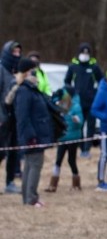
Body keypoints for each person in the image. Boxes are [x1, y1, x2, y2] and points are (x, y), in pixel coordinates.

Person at [12, 58, 54, 206]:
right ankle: (31, 198)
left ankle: (28, 197)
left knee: (31, 165)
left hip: (37, 134)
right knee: (34, 165)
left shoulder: (31, 90)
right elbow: (23, 117)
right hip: (33, 137)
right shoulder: (24, 91)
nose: (35, 74)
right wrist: (31, 137)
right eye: (32, 71)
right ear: (26, 73)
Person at [63, 42, 103, 158]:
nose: (85, 55)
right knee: (78, 125)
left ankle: (87, 148)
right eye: (83, 53)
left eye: (87, 53)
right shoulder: (73, 67)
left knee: (91, 126)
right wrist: (71, 94)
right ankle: (80, 148)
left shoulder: (94, 67)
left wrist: (96, 93)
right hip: (78, 103)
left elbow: (101, 81)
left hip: (91, 102)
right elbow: (67, 81)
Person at [46, 85, 84, 192]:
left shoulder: (76, 106)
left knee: (71, 160)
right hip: (63, 137)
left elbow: (81, 123)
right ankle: (53, 184)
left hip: (73, 138)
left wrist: (78, 121)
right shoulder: (60, 105)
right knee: (58, 160)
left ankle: (76, 183)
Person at [0, 40, 23, 195]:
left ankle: (10, 182)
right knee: (1, 152)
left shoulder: (19, 71)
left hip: (16, 117)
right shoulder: (1, 70)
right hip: (3, 117)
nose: (17, 55)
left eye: (18, 52)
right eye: (14, 52)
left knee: (14, 152)